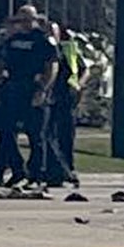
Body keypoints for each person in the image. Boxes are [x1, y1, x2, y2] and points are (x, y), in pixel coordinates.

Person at [0, 5, 58, 188]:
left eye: (26, 20)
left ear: (35, 20)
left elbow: (52, 66)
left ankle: (36, 176)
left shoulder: (44, 41)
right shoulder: (12, 41)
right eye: (19, 20)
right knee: (7, 132)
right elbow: (1, 64)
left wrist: (43, 89)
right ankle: (17, 170)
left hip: (33, 88)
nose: (22, 24)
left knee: (36, 136)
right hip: (12, 88)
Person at [45, 21, 82, 187]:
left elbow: (75, 70)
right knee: (51, 134)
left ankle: (65, 171)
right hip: (60, 95)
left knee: (62, 135)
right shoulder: (55, 48)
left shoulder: (65, 49)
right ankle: (59, 171)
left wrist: (79, 84)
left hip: (65, 95)